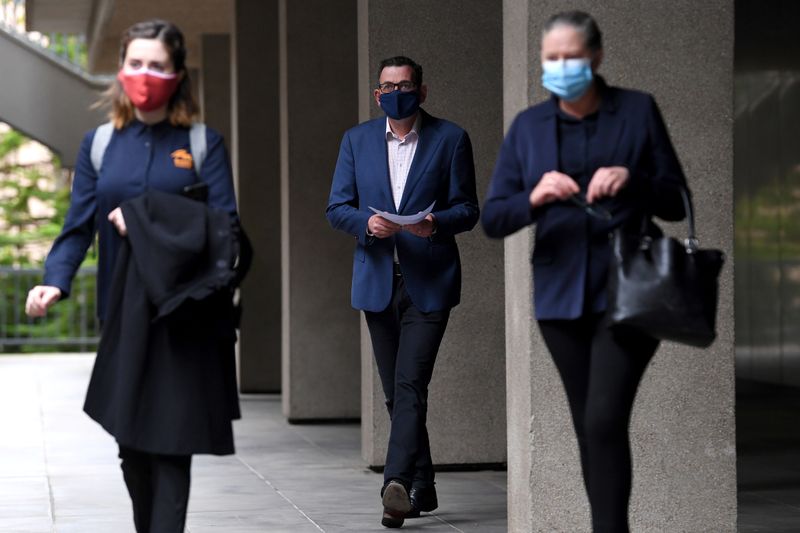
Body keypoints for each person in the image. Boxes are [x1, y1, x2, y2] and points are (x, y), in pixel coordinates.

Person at [25, 19, 243, 533]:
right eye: (136, 63)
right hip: (123, 316)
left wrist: (144, 217)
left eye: (157, 66)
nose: (145, 74)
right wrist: (55, 279)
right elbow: (78, 226)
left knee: (171, 446)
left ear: (177, 73)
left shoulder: (202, 143)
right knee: (133, 447)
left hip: (183, 317)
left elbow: (226, 228)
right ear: (121, 71)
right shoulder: (99, 145)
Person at [481, 11, 688, 533]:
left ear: (595, 57)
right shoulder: (528, 127)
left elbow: (676, 200)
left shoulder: (637, 111)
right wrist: (534, 196)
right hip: (560, 296)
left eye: (572, 56)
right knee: (588, 427)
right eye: (552, 58)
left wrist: (632, 179)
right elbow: (494, 218)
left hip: (631, 292)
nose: (562, 66)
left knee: (603, 419)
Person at [327, 56, 479, 528]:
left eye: (406, 84)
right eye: (388, 86)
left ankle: (395, 486)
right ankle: (423, 483)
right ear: (378, 95)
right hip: (377, 280)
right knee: (397, 393)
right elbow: (336, 207)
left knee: (411, 383)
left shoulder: (450, 138)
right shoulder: (356, 140)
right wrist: (366, 224)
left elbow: (469, 209)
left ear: (422, 91)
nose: (397, 91)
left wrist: (433, 224)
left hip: (429, 281)